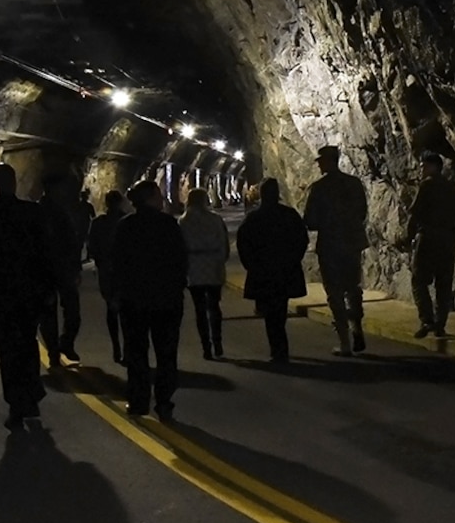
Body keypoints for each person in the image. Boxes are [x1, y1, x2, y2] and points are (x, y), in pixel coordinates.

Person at [0, 164, 56, 429]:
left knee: (7, 349)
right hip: (29, 291)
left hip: (0, 291)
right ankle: (31, 395)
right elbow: (44, 254)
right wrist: (49, 288)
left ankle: (17, 403)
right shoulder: (31, 212)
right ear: (14, 182)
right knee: (27, 344)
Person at [110, 181, 188, 418]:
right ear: (151, 199)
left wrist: (117, 293)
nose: (162, 198)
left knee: (136, 353)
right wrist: (177, 287)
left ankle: (138, 401)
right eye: (159, 195)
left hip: (134, 300)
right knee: (166, 354)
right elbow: (180, 260)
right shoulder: (168, 225)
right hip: (166, 300)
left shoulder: (126, 227)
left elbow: (117, 263)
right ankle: (164, 401)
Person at [302, 143, 369, 356]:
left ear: (330, 161)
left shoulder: (319, 188)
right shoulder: (354, 184)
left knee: (334, 292)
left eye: (321, 161)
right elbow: (362, 212)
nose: (320, 165)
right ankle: (356, 325)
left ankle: (344, 342)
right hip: (352, 243)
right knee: (353, 287)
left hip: (330, 245)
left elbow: (310, 221)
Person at [237, 178, 309, 363]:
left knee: (270, 313)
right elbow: (302, 239)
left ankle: (278, 349)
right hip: (284, 270)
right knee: (280, 308)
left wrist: (251, 265)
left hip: (263, 271)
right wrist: (293, 259)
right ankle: (280, 348)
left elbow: (243, 244)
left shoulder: (254, 218)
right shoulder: (289, 215)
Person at [404, 151, 455, 338]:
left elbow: (415, 214)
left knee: (418, 280)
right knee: (443, 283)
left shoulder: (426, 186)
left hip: (427, 238)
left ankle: (427, 320)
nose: (421, 169)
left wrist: (408, 237)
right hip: (447, 239)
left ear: (435, 166)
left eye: (424, 166)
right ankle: (440, 324)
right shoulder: (452, 187)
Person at [36, 173, 84, 369]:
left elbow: (72, 241)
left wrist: (76, 266)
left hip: (63, 268)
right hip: (47, 270)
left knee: (72, 312)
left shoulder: (64, 210)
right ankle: (55, 352)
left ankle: (65, 343)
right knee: (49, 314)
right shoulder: (39, 212)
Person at [181, 187, 231, 360]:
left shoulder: (183, 221)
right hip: (213, 266)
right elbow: (224, 243)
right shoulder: (215, 219)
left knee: (200, 309)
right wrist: (221, 260)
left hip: (194, 269)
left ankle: (206, 347)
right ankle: (218, 343)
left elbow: (180, 247)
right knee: (214, 307)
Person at [85, 189, 128, 364]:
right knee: (126, 310)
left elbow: (92, 246)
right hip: (125, 270)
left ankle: (116, 345)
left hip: (106, 270)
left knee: (111, 308)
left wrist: (100, 260)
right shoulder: (127, 222)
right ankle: (126, 347)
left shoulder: (98, 223)